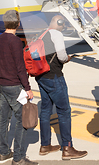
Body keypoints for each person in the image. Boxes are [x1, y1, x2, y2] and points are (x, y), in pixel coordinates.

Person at [35, 15, 87, 160]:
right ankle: (67, 147)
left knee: (45, 110)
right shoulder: (57, 34)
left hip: (42, 76)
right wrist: (68, 58)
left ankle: (45, 145)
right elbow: (62, 56)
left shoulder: (42, 33)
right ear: (60, 23)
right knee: (64, 112)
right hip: (54, 77)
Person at [0, 10, 37, 165]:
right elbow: (20, 67)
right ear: (18, 23)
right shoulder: (16, 42)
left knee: (3, 119)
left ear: (5, 23)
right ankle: (18, 158)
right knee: (22, 120)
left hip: (2, 84)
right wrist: (27, 88)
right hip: (14, 85)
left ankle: (4, 152)